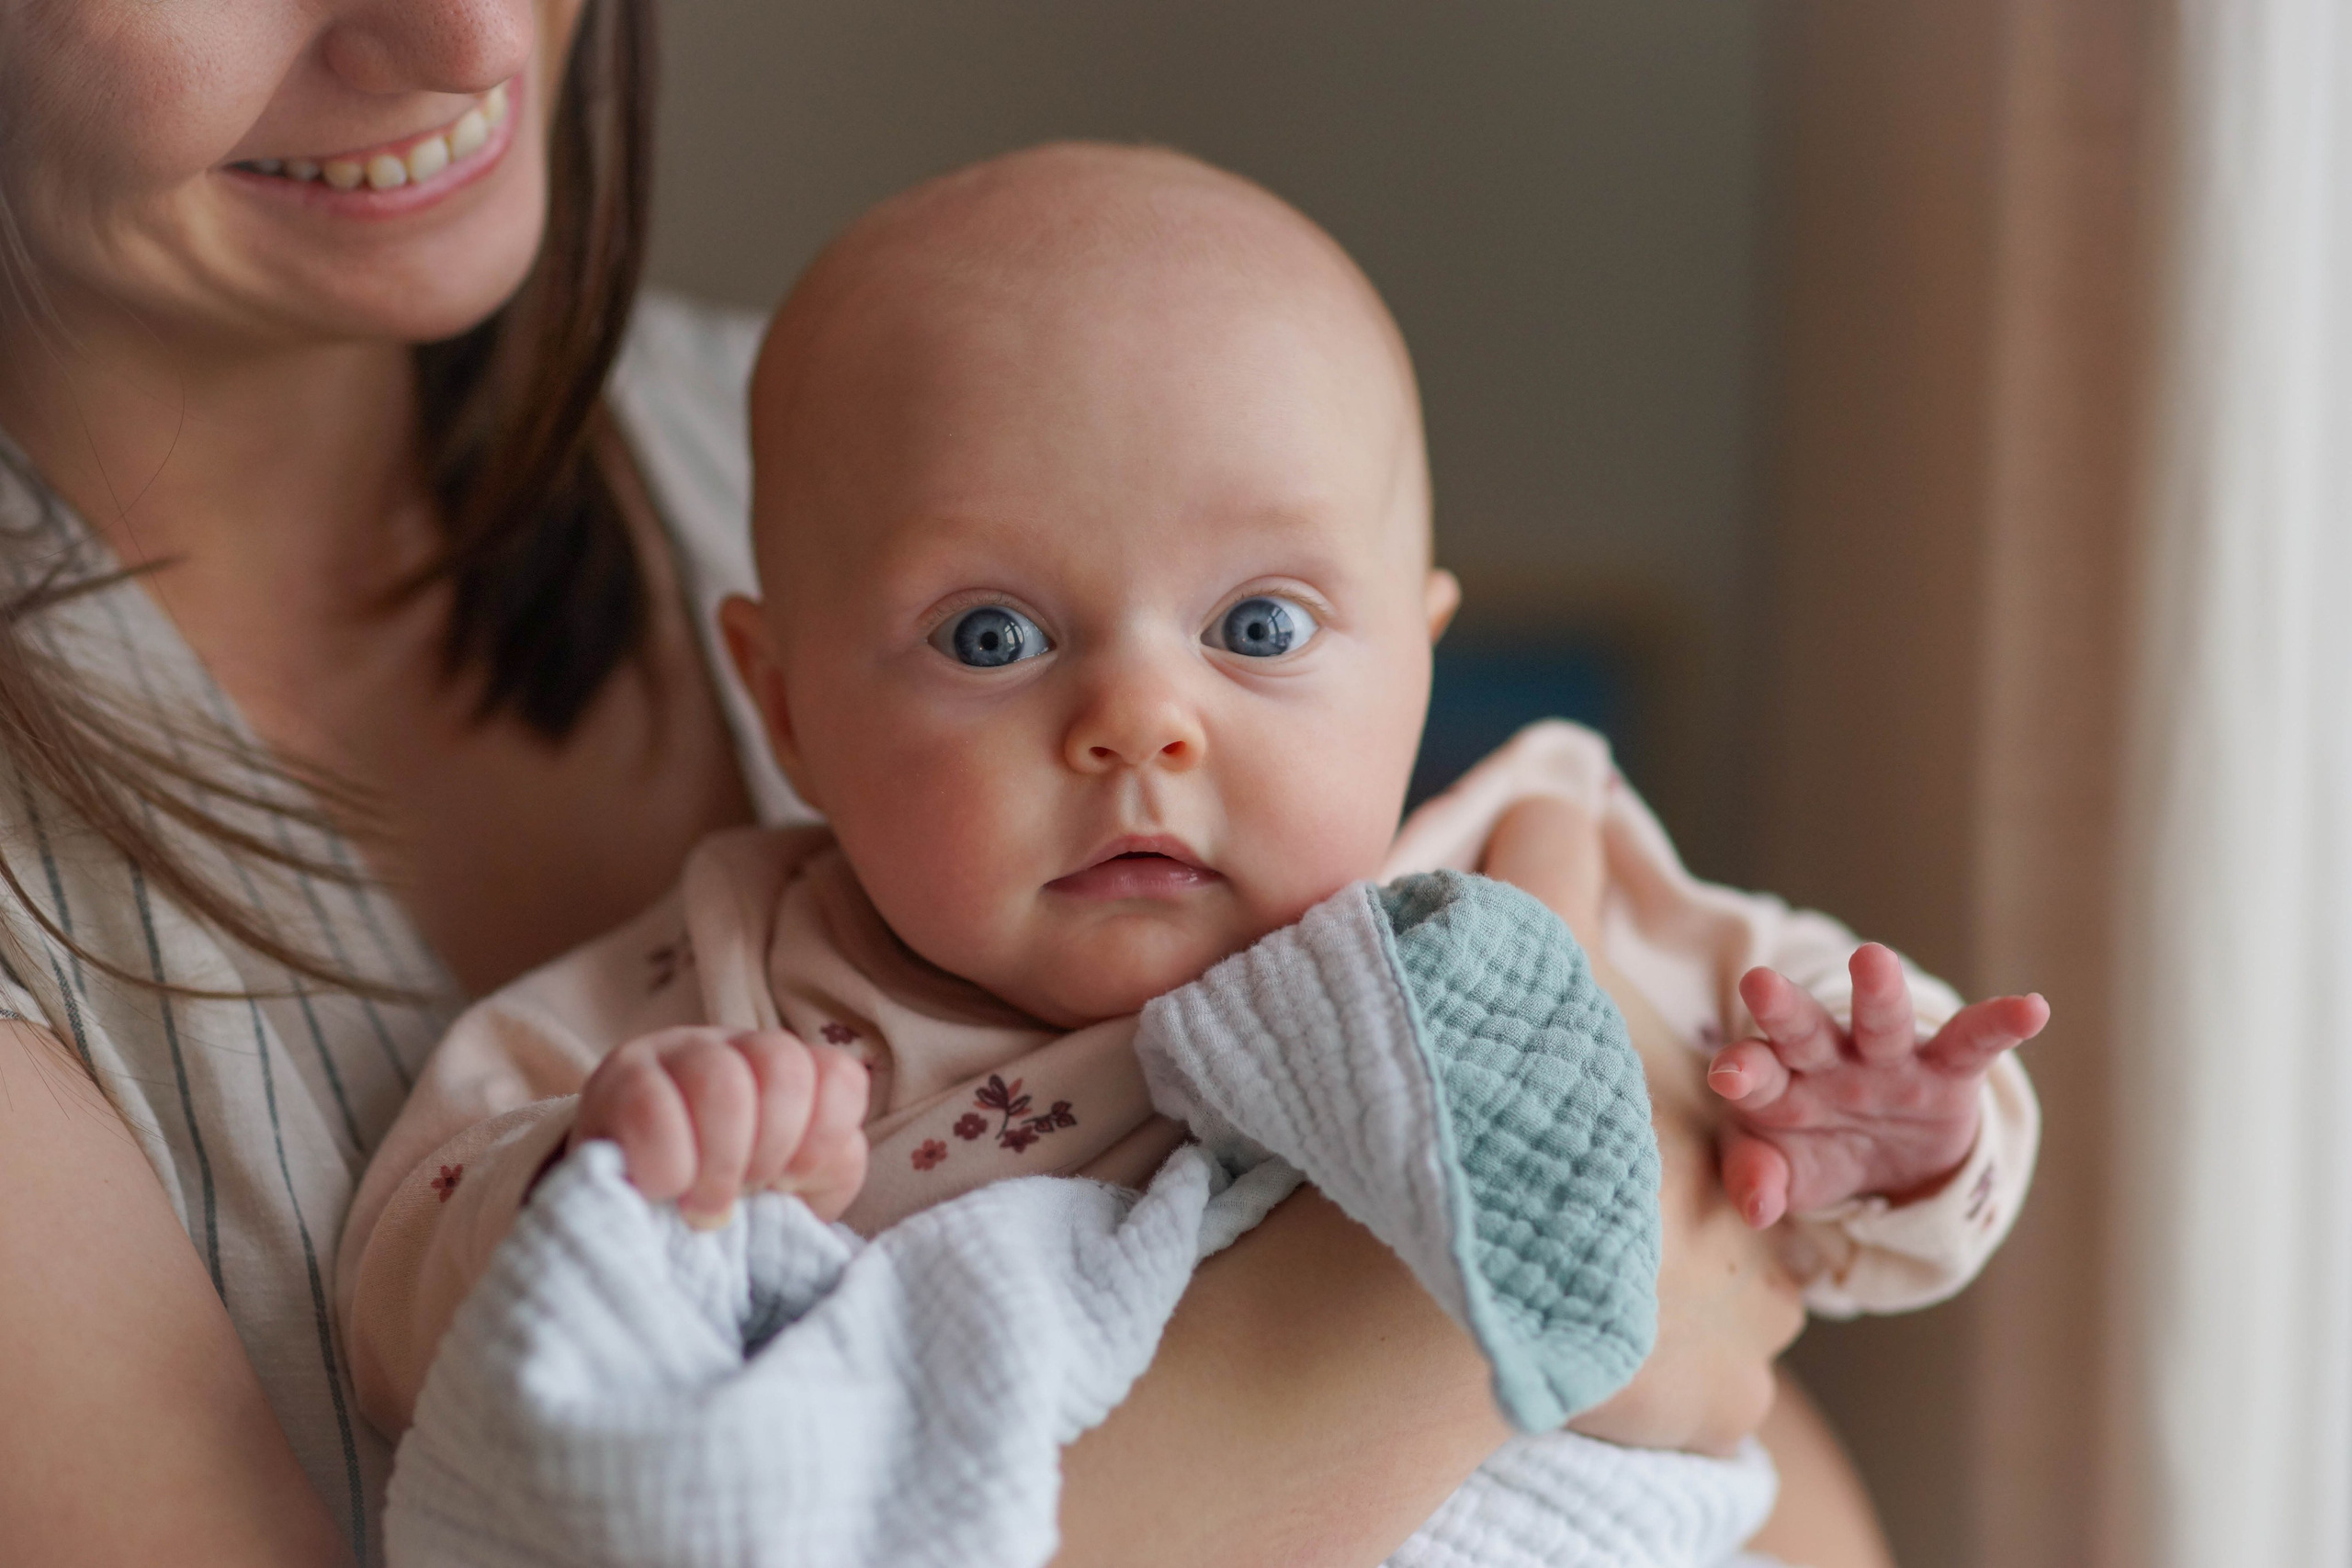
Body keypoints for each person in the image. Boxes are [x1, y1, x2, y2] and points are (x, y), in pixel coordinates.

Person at [0, 6, 1968, 1566]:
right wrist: (1505, 1296)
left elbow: (1780, 1292)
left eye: (1257, 628)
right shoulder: (774, 855)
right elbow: (453, 1270)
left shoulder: (952, 420)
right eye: (997, 639)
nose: (460, 32)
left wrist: (1874, 1128)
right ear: (782, 692)